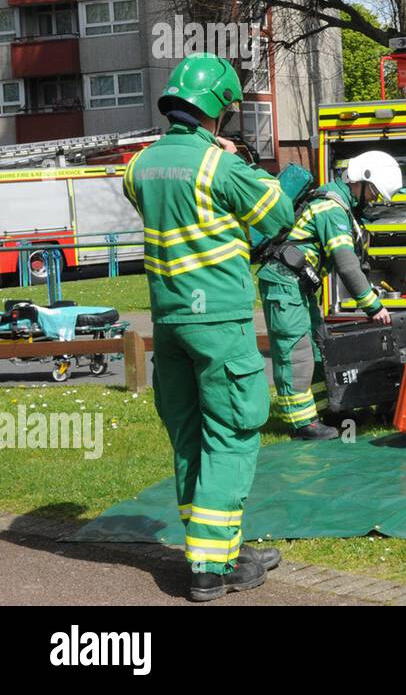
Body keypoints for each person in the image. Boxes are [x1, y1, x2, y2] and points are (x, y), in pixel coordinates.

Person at [123, 53, 294, 601]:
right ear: (219, 110)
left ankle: (221, 546)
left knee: (189, 435)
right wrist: (239, 161)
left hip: (169, 322)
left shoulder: (139, 166)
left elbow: (162, 199)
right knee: (231, 434)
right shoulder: (219, 166)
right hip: (219, 322)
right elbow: (277, 213)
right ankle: (210, 569)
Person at [256, 151, 401, 439]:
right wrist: (374, 307)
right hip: (284, 284)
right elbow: (346, 265)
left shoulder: (339, 206)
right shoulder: (331, 209)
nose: (371, 200)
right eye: (372, 193)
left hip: (298, 284)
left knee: (318, 347)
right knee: (295, 352)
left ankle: (328, 410)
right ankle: (302, 423)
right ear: (360, 180)